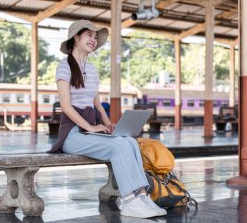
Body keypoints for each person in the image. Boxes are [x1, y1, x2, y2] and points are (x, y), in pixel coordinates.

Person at [47, 20, 166, 219]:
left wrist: (109, 123)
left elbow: (97, 103)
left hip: (89, 129)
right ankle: (130, 200)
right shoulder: (64, 67)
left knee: (128, 141)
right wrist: (91, 128)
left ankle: (142, 196)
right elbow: (66, 107)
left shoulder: (92, 69)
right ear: (76, 37)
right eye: (89, 35)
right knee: (117, 146)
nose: (93, 40)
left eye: (96, 37)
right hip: (72, 134)